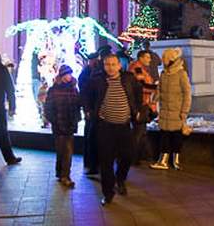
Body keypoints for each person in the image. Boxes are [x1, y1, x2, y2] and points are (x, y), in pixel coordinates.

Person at [85, 54, 141, 206]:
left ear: (119, 65)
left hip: (124, 126)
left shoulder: (129, 78)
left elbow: (137, 93)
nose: (110, 67)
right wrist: (89, 110)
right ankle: (108, 193)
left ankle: (121, 178)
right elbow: (87, 96)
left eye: (113, 64)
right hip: (105, 127)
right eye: (107, 64)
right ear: (104, 66)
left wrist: (137, 110)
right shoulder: (97, 80)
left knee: (128, 155)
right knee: (106, 161)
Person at [150, 48, 192, 171]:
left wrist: (184, 112)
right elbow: (159, 90)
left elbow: (187, 94)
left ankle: (176, 160)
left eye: (165, 59)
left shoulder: (181, 74)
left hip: (177, 112)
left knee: (176, 137)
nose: (163, 61)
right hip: (164, 112)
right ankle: (163, 160)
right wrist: (155, 98)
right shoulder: (163, 73)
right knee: (164, 136)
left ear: (171, 60)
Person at [44, 65, 81, 188]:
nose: (68, 77)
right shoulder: (54, 90)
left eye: (70, 74)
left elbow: (77, 105)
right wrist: (55, 120)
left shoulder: (74, 89)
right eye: (66, 74)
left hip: (70, 124)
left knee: (67, 151)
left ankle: (65, 175)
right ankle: (61, 173)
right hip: (59, 125)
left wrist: (77, 118)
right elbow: (48, 108)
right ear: (61, 76)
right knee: (62, 150)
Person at [79, 46, 111, 174]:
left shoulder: (97, 72)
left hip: (96, 109)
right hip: (92, 109)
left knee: (95, 137)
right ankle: (90, 163)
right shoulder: (89, 73)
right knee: (91, 136)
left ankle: (94, 163)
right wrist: (87, 109)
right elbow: (85, 90)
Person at [128, 50, 158, 165]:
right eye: (147, 57)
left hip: (142, 103)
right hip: (140, 104)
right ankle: (133, 157)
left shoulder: (140, 68)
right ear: (140, 58)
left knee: (142, 131)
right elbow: (142, 86)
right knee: (138, 131)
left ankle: (146, 155)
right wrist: (156, 87)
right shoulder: (137, 68)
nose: (149, 60)